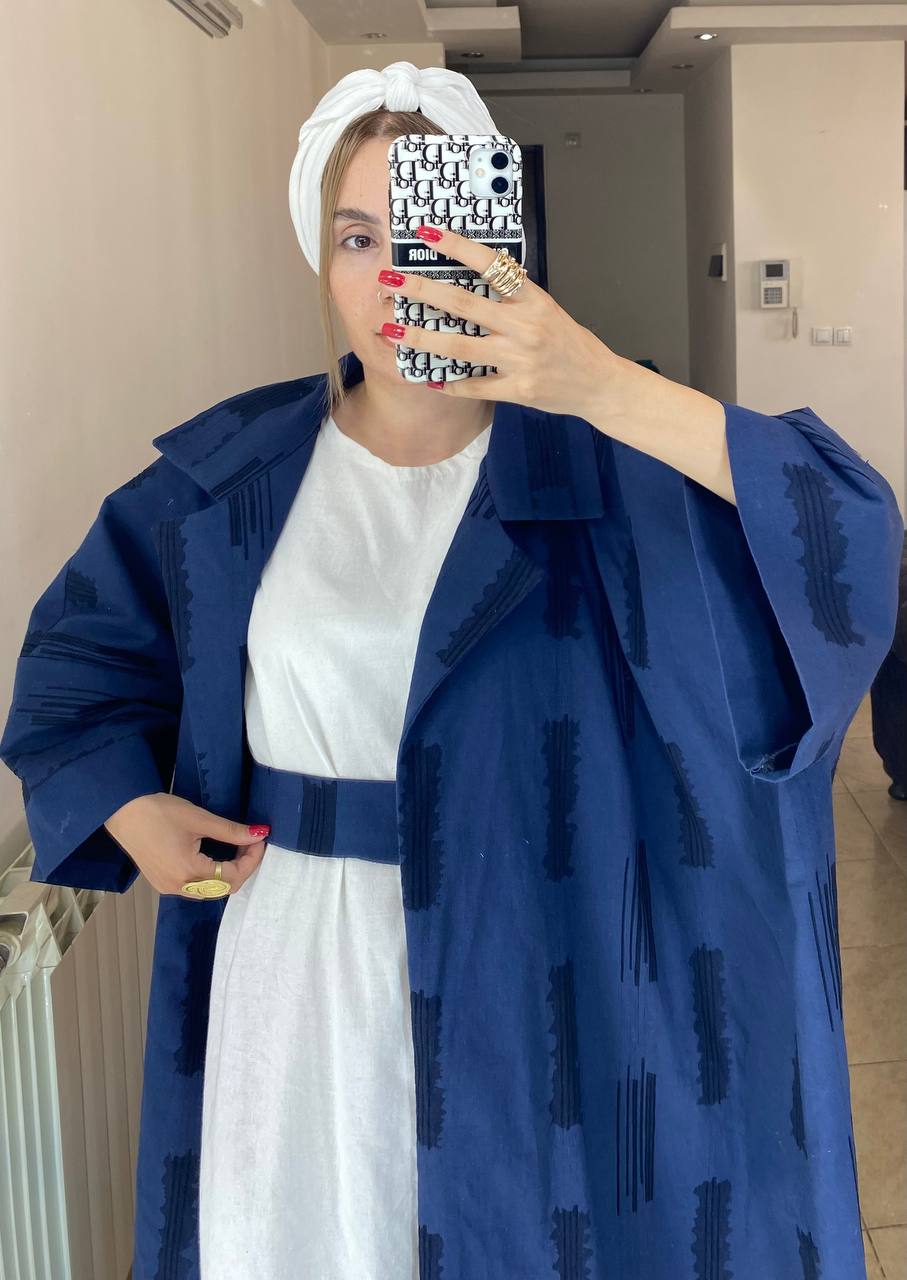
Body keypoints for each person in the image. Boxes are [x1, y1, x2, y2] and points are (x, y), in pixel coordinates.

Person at [1, 61, 903, 1280]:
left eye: (423, 233)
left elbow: (845, 533)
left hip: (537, 966)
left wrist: (597, 381)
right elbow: (78, 658)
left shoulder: (606, 471)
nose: (393, 276)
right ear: (319, 259)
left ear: (493, 245)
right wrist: (126, 804)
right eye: (355, 237)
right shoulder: (230, 481)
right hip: (298, 975)